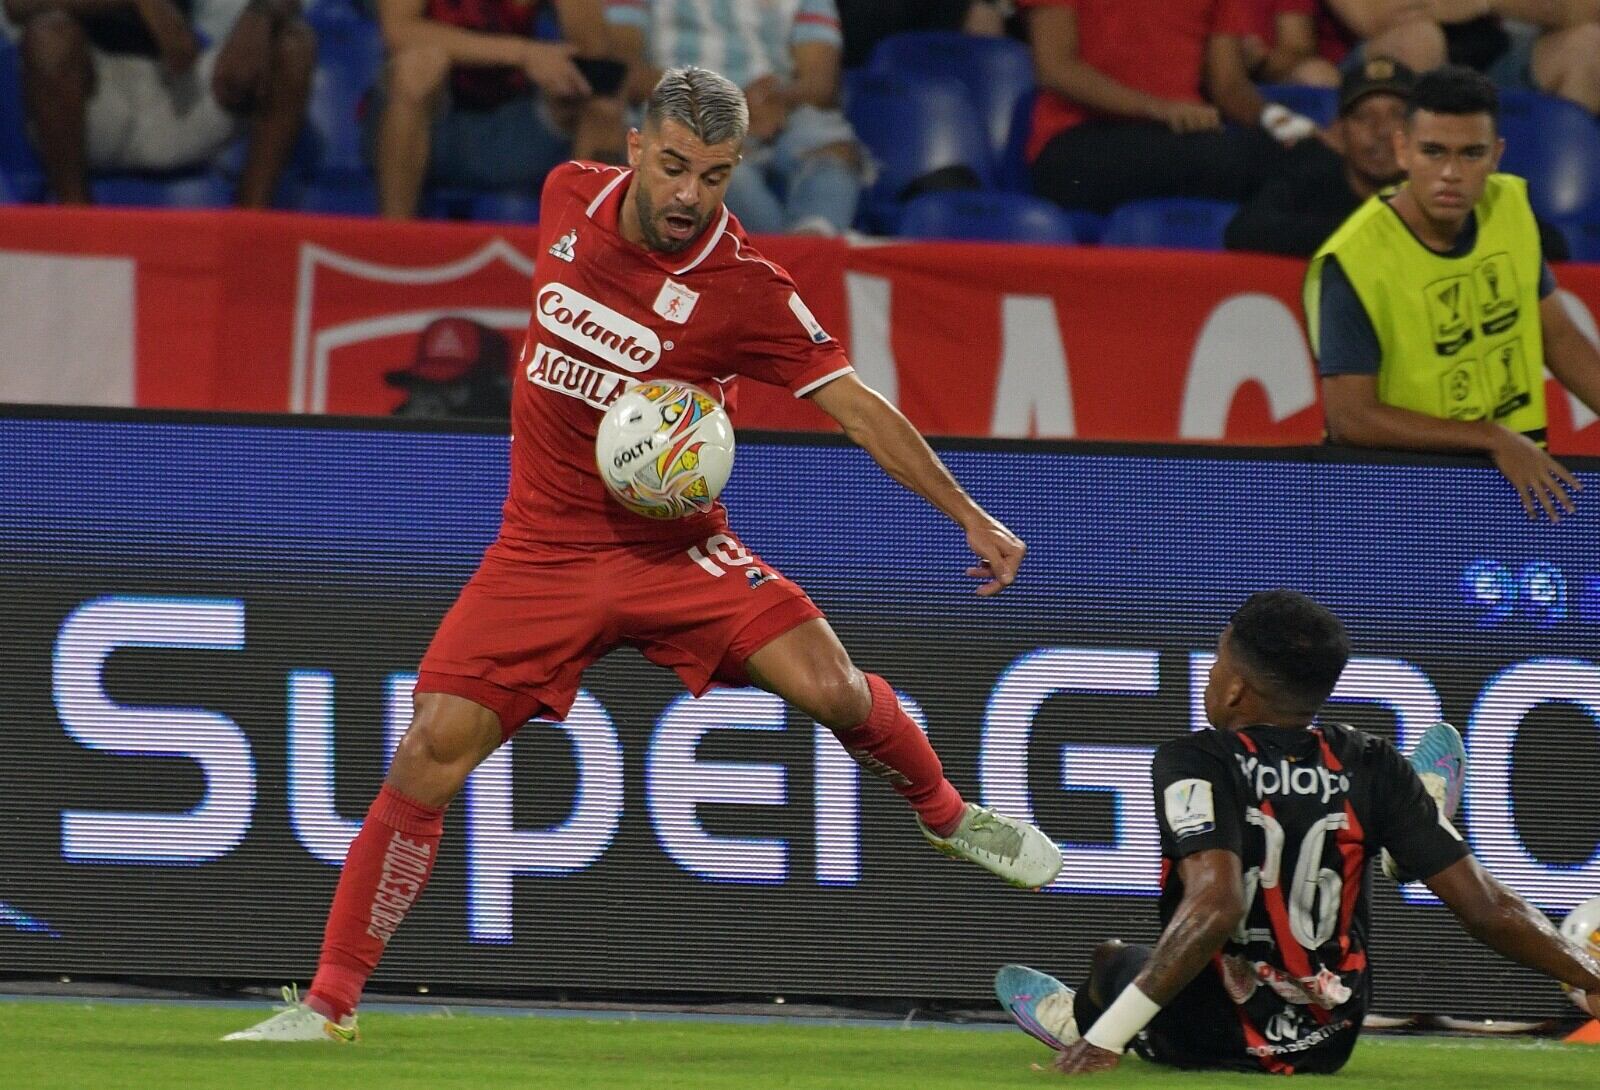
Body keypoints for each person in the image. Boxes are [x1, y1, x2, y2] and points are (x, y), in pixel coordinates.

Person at [223, 64, 1061, 1044]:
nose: (687, 196)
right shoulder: (564, 196)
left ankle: (946, 811)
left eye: (713, 176)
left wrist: (967, 513)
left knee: (831, 690)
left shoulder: (745, 288)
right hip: (540, 550)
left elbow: (855, 407)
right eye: (672, 167)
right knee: (425, 757)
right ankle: (327, 1007)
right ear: (634, 148)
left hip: (676, 553)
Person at [994, 589, 1600, 1076]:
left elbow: (1217, 906)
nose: (1211, 676)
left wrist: (1107, 1041)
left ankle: (1080, 1020)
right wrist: (1592, 976)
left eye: (1217, 662)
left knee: (1114, 961)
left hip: (1205, 1037)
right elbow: (1489, 909)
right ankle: (1414, 825)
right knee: (1379, 816)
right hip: (1327, 1040)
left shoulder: (1194, 760)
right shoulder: (1371, 761)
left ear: (1235, 688)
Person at [1306, 65, 1600, 522]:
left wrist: (1500, 443)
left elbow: (1558, 337)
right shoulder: (1356, 262)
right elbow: (1351, 417)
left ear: (1496, 155)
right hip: (1401, 494)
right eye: (1433, 151)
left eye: (1470, 154)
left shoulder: (1510, 212)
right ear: (1403, 150)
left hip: (1514, 483)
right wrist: (1490, 437)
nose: (1450, 173)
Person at [1020, 0, 1315, 217]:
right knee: (1229, 161)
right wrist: (1157, 108)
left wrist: (1287, 125)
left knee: (1313, 162)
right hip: (1076, 142)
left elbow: (1230, 88)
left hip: (1180, 142)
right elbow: (1055, 67)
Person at [7, 0, 314, 206]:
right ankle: (77, 222)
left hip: (177, 89)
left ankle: (249, 227)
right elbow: (18, 5)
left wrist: (261, 14)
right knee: (49, 37)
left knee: (294, 43)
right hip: (94, 99)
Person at [604, 0, 865, 236]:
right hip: (686, 106)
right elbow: (626, 70)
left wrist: (779, 99)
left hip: (779, 107)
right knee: (711, 165)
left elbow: (820, 81)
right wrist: (729, 103)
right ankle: (783, 260)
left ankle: (811, 242)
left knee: (836, 150)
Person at [367, 0, 615, 219]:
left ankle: (583, 251)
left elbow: (595, 57)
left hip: (515, 131)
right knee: (418, 68)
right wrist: (522, 53)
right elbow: (399, 31)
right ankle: (396, 240)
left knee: (603, 104)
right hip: (430, 126)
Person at [1227, 56, 1415, 256]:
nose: (1382, 131)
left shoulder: (1438, 184)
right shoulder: (1313, 174)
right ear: (1338, 133)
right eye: (1363, 116)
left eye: (1398, 116)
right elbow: (1244, 232)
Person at [1240, 0, 1341, 86]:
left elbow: (1297, 48)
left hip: (1269, 76)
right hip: (1232, 79)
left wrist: (1263, 59)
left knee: (1317, 74)